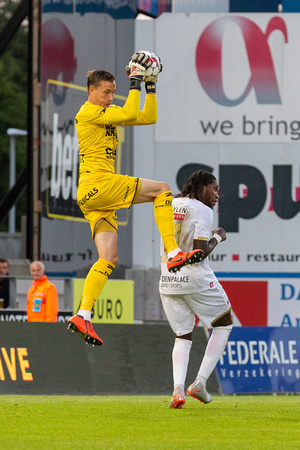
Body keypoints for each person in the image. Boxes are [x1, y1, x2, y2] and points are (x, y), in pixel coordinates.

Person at [67, 51, 203, 346]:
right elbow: (130, 112)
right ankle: (172, 252)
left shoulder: (104, 113)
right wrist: (136, 81)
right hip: (99, 184)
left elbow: (147, 117)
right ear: (91, 91)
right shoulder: (88, 111)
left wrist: (150, 85)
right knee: (163, 189)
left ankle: (83, 313)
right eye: (106, 92)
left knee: (109, 258)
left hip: (93, 197)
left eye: (113, 92)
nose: (110, 97)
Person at [159, 170, 233, 409]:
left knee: (182, 335)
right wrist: (218, 238)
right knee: (224, 324)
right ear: (202, 188)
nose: (217, 194)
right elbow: (199, 253)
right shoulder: (202, 210)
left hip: (168, 280)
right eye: (214, 188)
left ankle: (177, 389)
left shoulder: (172, 204)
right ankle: (199, 383)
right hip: (195, 279)